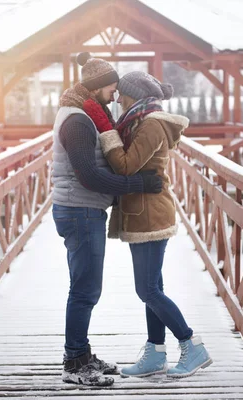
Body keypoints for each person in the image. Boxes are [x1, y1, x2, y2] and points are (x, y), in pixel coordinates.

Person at [52, 53, 164, 387]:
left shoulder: (86, 114)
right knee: (85, 289)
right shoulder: (78, 121)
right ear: (98, 87)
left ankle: (82, 353)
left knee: (86, 286)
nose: (116, 93)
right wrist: (137, 184)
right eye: (112, 86)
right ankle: (74, 362)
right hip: (79, 211)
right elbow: (89, 176)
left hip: (84, 210)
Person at [92, 71, 213, 379]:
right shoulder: (138, 122)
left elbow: (125, 166)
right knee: (152, 287)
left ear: (134, 96)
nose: (118, 99)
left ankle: (191, 344)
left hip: (151, 214)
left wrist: (107, 134)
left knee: (146, 289)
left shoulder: (151, 125)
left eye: (122, 94)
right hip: (141, 212)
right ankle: (156, 353)